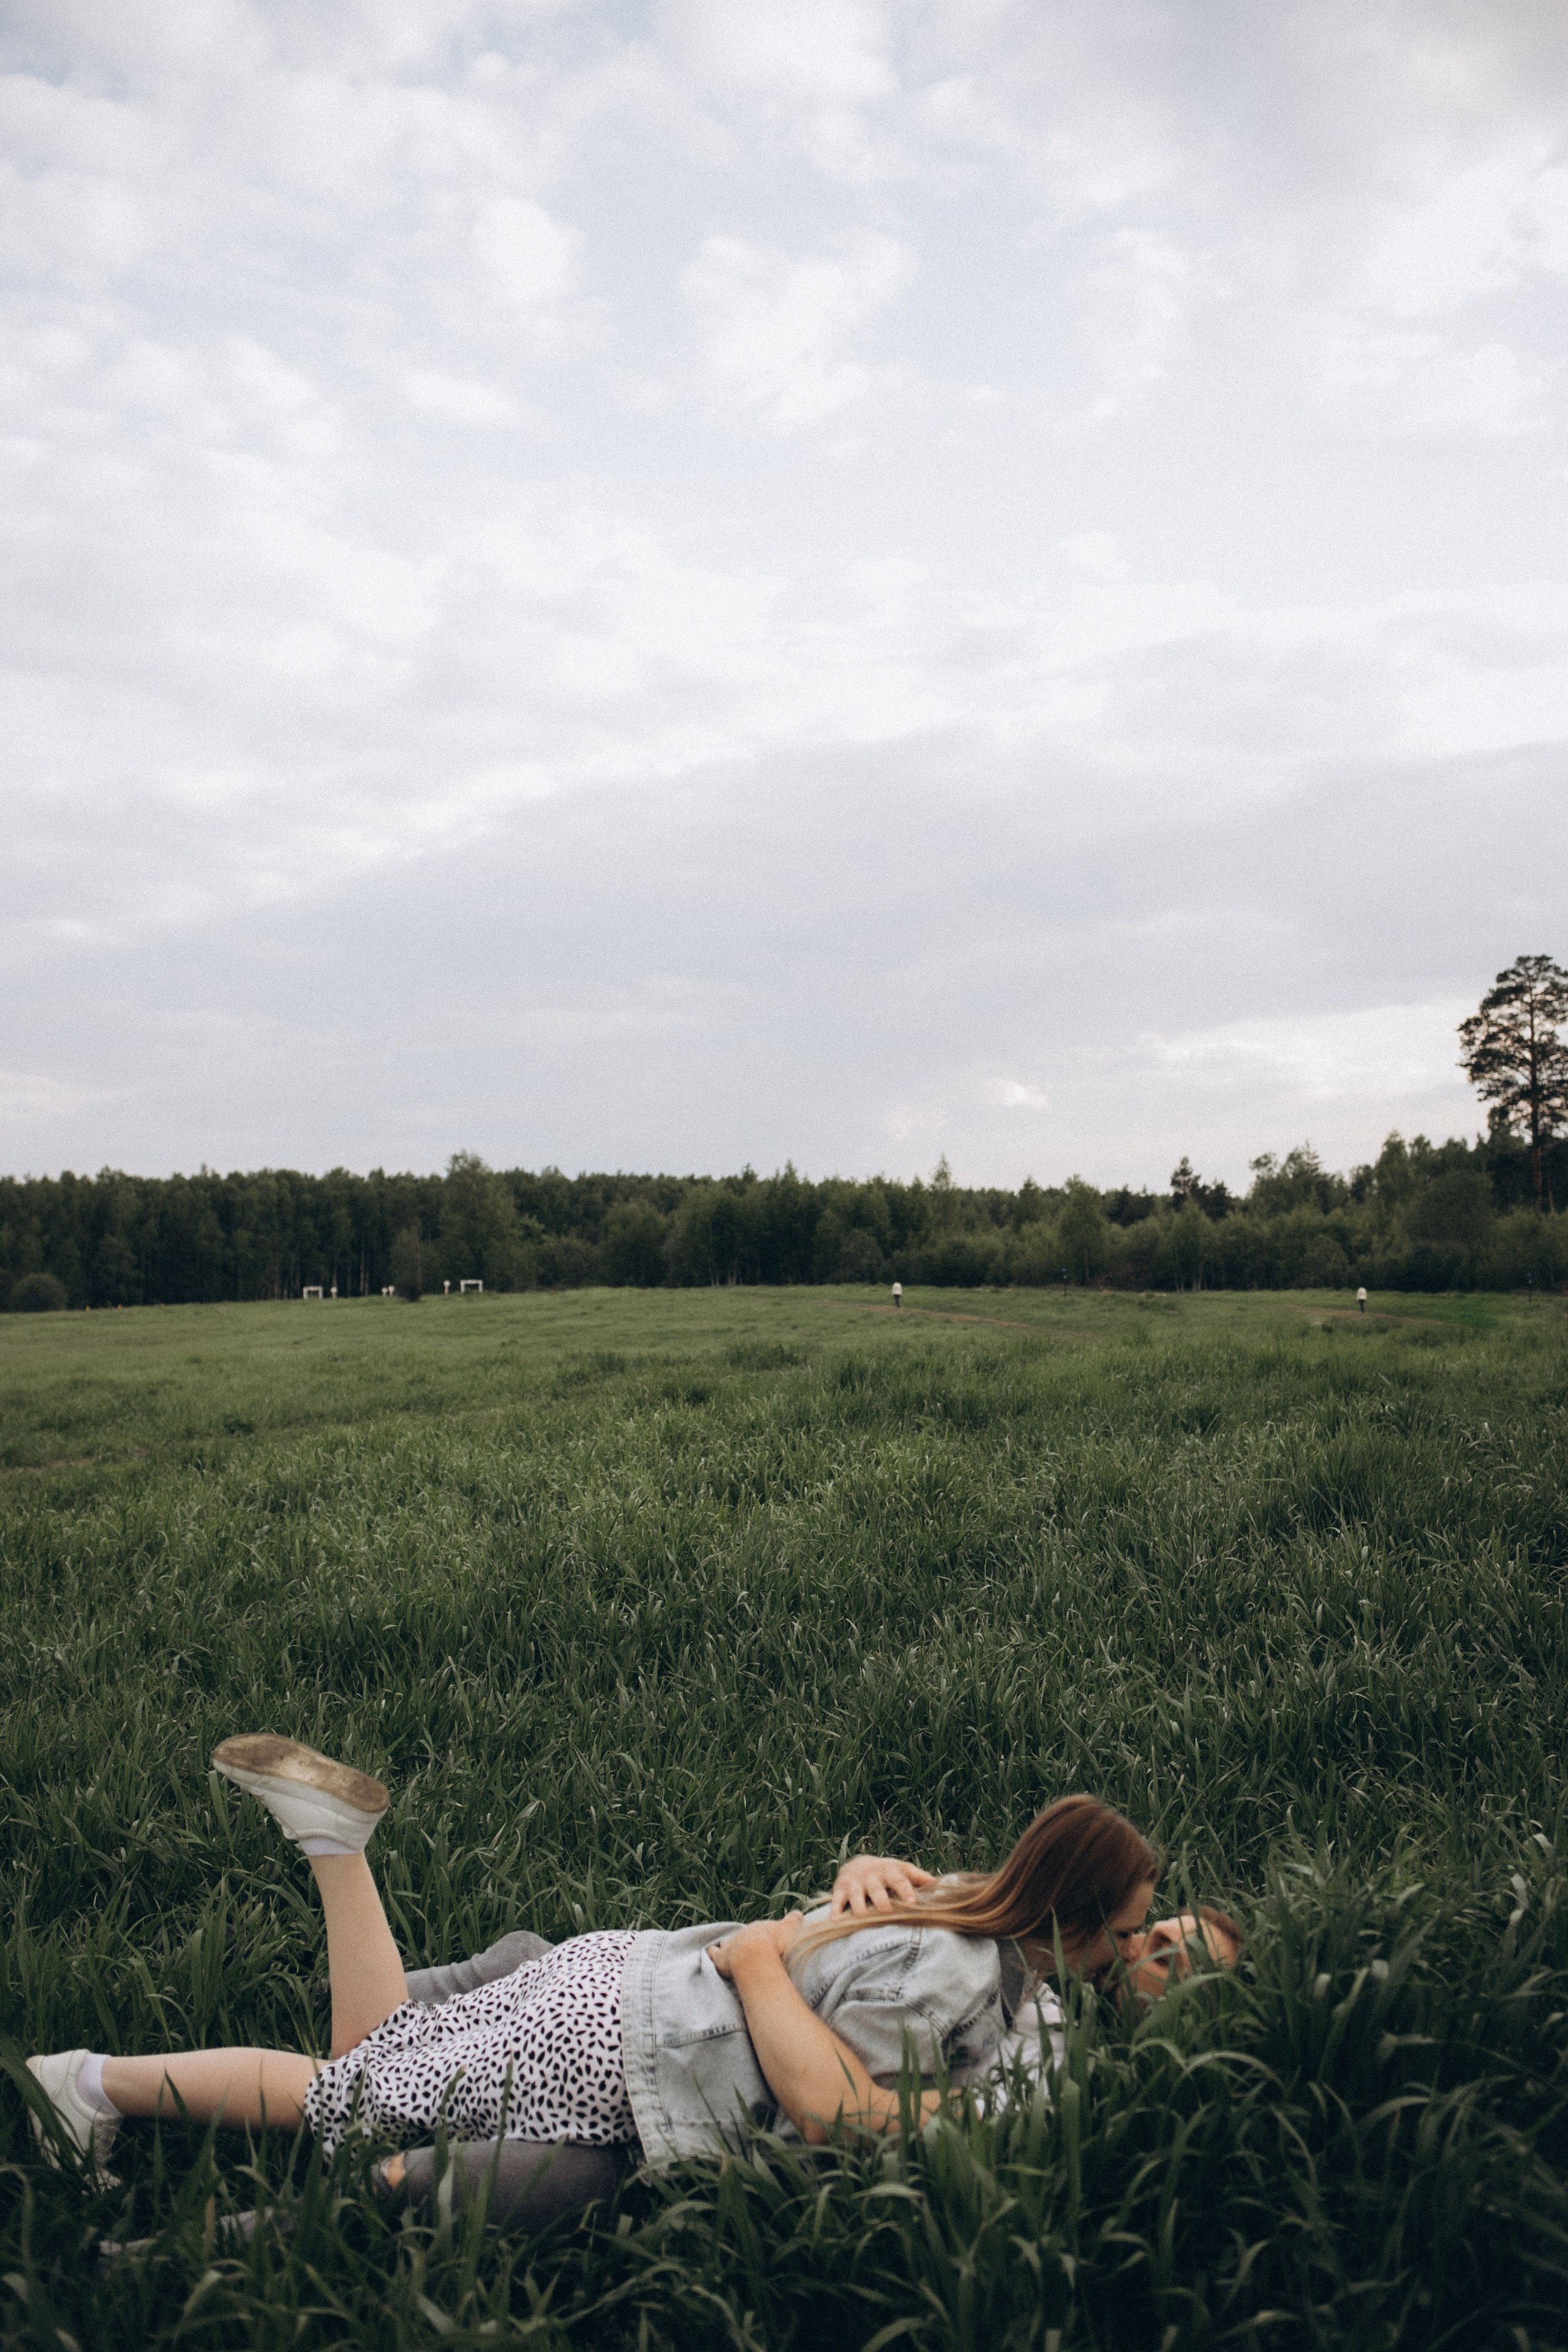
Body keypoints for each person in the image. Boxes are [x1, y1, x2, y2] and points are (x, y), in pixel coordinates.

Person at [27, 1737, 1233, 2211]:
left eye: (1174, 1957)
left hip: (619, 1983)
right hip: (626, 2041)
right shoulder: (986, 1988)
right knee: (345, 2094)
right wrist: (763, 1958)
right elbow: (831, 2110)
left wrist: (831, 1898)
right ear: (1084, 1929)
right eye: (1154, 1933)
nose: (1153, 1956)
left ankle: (333, 1843)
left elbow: (859, 1919)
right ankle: (90, 2082)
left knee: (371, 2056)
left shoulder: (971, 1913)